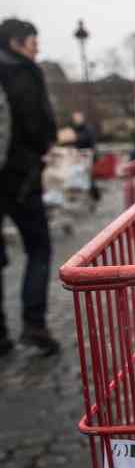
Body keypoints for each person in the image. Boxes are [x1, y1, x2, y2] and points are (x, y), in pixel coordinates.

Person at [0, 18, 59, 356]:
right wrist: (44, 145)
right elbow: (37, 123)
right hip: (20, 175)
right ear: (16, 42)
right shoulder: (25, 72)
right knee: (38, 248)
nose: (37, 48)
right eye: (33, 42)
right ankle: (34, 324)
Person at [71, 110, 100, 201]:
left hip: (87, 155)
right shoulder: (74, 129)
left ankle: (94, 194)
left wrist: (93, 153)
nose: (76, 120)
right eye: (75, 118)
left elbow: (91, 142)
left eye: (78, 117)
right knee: (82, 175)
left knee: (88, 176)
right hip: (79, 155)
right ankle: (89, 193)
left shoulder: (88, 129)